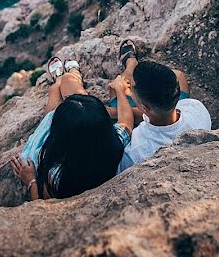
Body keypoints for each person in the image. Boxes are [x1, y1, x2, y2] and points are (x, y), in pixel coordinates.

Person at [9, 56, 134, 200]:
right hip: (86, 133)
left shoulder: (57, 175)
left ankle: (58, 79)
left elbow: (41, 202)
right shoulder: (114, 143)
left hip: (69, 139)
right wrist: (119, 89)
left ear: (58, 137)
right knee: (71, 90)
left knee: (55, 93)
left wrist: (31, 180)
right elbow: (126, 121)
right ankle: (68, 75)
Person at [115, 54, 211, 172]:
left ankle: (130, 62)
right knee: (179, 75)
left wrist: (120, 90)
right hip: (159, 110)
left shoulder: (135, 153)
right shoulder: (196, 109)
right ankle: (131, 62)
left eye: (132, 88)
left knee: (114, 90)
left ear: (145, 108)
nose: (131, 87)